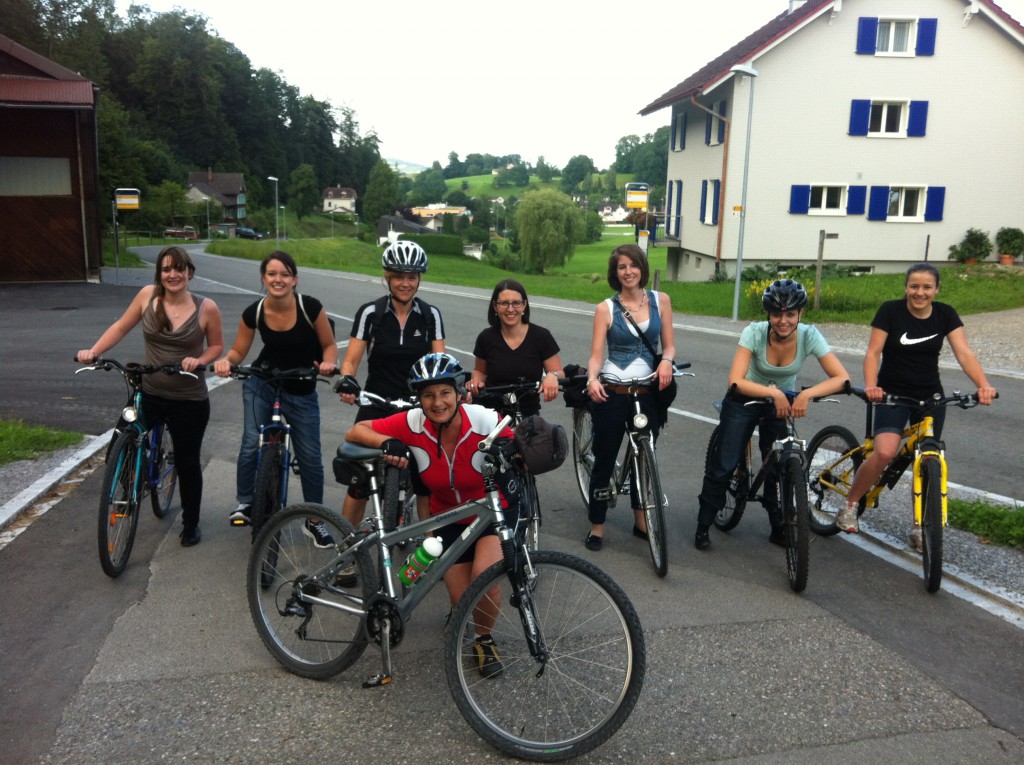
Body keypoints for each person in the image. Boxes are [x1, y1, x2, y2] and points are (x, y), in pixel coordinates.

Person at [344, 353, 513, 678]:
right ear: (418, 399)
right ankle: (464, 617)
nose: (438, 402)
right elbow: (357, 431)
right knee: (460, 599)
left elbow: (516, 445)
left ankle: (484, 638)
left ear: (459, 392)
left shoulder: (482, 419)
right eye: (428, 395)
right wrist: (387, 442)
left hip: (487, 514)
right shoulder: (411, 423)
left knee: (485, 580)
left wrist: (515, 453)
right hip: (446, 518)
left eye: (445, 392)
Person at [835, 263, 997, 548]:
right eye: (914, 286)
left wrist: (983, 385)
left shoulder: (946, 314)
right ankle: (849, 505)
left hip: (930, 396)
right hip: (892, 394)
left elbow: (964, 352)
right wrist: (872, 385)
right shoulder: (890, 311)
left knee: (927, 459)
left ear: (936, 289)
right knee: (885, 451)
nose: (919, 292)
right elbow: (873, 352)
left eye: (926, 287)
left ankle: (918, 526)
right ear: (906, 287)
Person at [77, 246, 224, 547]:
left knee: (187, 461)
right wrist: (94, 351)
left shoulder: (206, 307)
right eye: (167, 269)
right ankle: (128, 489)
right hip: (152, 391)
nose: (173, 275)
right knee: (122, 436)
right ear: (159, 273)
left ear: (190, 273)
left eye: (179, 269)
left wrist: (199, 360)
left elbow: (216, 347)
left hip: (189, 398)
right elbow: (120, 326)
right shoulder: (147, 296)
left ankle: (191, 523)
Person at [695, 278, 849, 551]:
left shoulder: (809, 335)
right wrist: (775, 392)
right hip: (744, 399)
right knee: (725, 463)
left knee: (780, 465)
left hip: (780, 403)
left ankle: (778, 525)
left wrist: (805, 394)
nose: (783, 321)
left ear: (800, 314)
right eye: (777, 314)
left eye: (790, 314)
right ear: (768, 314)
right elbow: (735, 380)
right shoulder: (754, 333)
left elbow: (841, 378)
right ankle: (704, 524)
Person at [213, 252, 338, 546]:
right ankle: (245, 502)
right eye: (271, 274)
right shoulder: (253, 312)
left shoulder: (310, 307)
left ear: (294, 279)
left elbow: (329, 345)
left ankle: (314, 519)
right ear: (263, 278)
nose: (278, 279)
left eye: (284, 274)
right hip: (263, 380)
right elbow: (237, 352)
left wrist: (329, 363)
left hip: (301, 385)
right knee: (249, 442)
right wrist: (225, 361)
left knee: (310, 457)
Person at [337, 240, 445, 529]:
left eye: (412, 277)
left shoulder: (430, 315)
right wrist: (347, 380)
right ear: (387, 276)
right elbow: (351, 361)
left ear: (420, 278)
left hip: (416, 405)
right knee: (359, 477)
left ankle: (431, 549)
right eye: (399, 276)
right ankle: (347, 548)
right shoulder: (370, 313)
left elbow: (438, 363)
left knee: (426, 480)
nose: (405, 283)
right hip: (376, 401)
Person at [582, 244, 676, 551]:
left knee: (643, 458)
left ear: (642, 268)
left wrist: (665, 361)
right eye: (622, 267)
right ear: (615, 273)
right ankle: (597, 525)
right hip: (614, 390)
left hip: (647, 391)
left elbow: (670, 346)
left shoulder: (661, 301)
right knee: (605, 457)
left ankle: (640, 520)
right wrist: (592, 379)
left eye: (633, 265)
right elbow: (596, 356)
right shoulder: (605, 309)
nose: (628, 272)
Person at [467, 278, 563, 415]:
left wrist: (552, 376)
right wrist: (476, 381)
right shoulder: (486, 338)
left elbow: (558, 371)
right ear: (495, 306)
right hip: (492, 413)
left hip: (528, 413)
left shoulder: (541, 336)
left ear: (524, 305)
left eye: (516, 303)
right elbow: (480, 371)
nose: (510, 309)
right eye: (504, 303)